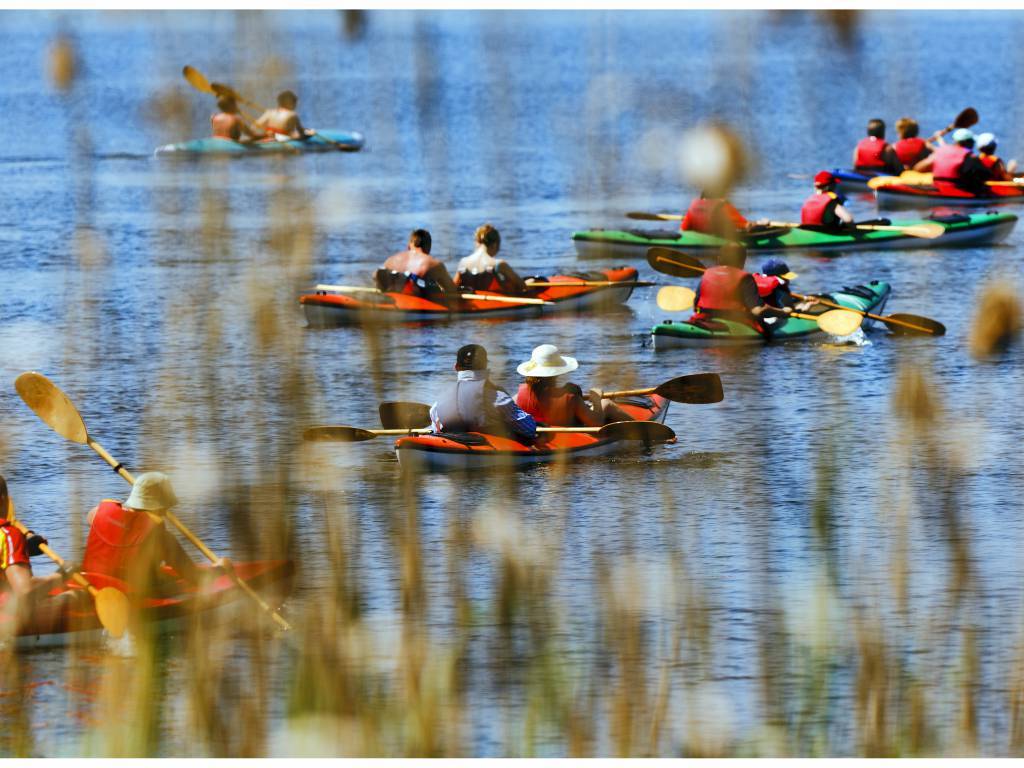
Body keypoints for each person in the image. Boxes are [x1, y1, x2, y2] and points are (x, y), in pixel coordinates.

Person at [81, 472, 207, 595]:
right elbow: (192, 576)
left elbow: (91, 517)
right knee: (179, 585)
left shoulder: (97, 513)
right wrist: (215, 573)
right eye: (165, 507)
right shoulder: (162, 537)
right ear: (159, 506)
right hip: (132, 593)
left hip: (92, 582)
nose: (165, 512)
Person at [429, 344, 537, 442]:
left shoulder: (438, 404)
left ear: (456, 367)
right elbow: (530, 429)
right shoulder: (500, 398)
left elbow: (436, 433)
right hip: (491, 450)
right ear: (485, 366)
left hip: (451, 448)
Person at [691, 243, 801, 334]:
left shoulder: (707, 273)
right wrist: (783, 312)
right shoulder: (745, 278)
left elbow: (695, 306)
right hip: (737, 324)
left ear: (719, 259)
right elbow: (758, 310)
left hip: (703, 320)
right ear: (743, 261)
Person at [515, 344, 635, 427]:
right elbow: (596, 422)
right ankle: (639, 430)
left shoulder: (517, 397)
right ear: (557, 372)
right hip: (569, 437)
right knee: (606, 403)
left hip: (539, 435)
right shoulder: (570, 397)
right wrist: (596, 399)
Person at [0, 476, 65, 618]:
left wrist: (24, 549)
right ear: (3, 500)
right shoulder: (8, 535)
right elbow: (24, 592)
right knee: (75, 596)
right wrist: (60, 577)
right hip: (7, 621)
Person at [375, 229, 459, 299]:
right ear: (428, 248)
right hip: (415, 302)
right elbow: (451, 289)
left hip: (391, 300)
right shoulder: (433, 264)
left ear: (409, 246)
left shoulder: (390, 260)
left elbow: (375, 276)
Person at [454, 224, 529, 294]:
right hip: (495, 302)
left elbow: (452, 288)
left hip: (471, 302)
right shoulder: (498, 264)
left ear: (477, 242)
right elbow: (522, 286)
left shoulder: (463, 263)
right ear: (495, 245)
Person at [914, 128, 991, 195]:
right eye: (972, 142)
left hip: (938, 187)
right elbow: (987, 175)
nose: (973, 144)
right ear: (968, 142)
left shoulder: (941, 151)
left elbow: (918, 168)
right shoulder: (970, 157)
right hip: (956, 191)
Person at [679, 193, 751, 240]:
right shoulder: (723, 206)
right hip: (721, 237)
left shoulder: (694, 207)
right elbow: (746, 225)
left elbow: (683, 229)